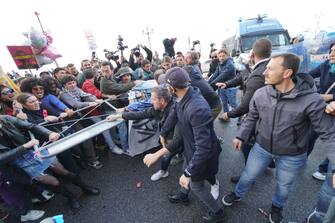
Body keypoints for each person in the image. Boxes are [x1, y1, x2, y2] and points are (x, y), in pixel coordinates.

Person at [221, 53, 335, 223]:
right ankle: (237, 193)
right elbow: (251, 117)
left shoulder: (311, 101)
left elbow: (329, 134)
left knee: (283, 186)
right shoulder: (260, 93)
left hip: (293, 155)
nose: (264, 73)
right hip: (261, 148)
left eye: (270, 69)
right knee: (248, 175)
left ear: (287, 73)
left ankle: (277, 207)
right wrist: (241, 135)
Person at [160, 67, 226, 223]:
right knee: (185, 169)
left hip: (203, 152)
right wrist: (163, 132)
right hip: (191, 146)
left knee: (196, 185)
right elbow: (174, 112)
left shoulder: (197, 108)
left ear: (172, 87)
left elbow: (203, 148)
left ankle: (218, 213)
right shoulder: (183, 95)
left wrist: (189, 172)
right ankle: (184, 195)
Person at [0, 115, 100, 210]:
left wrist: (49, 133)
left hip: (33, 150)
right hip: (16, 161)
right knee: (53, 182)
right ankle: (71, 197)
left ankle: (85, 187)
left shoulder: (5, 118)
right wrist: (24, 147)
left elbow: (31, 126)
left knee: (62, 171)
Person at [216, 39, 272, 183]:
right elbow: (241, 77)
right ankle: (264, 163)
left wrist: (228, 113)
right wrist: (226, 84)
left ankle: (249, 175)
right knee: (258, 142)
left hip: (258, 115)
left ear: (253, 54)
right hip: (264, 114)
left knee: (246, 143)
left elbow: (246, 105)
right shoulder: (265, 66)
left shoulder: (259, 73)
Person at [106, 86, 182, 181]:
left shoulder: (177, 112)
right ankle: (175, 159)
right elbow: (140, 114)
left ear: (162, 100)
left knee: (168, 155)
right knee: (172, 151)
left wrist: (156, 154)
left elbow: (177, 139)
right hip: (172, 136)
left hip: (181, 138)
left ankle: (164, 171)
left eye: (153, 99)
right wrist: (119, 116)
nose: (151, 102)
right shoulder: (157, 108)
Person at [61, 75, 127, 154]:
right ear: (65, 85)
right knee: (103, 128)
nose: (72, 85)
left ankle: (113, 140)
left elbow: (87, 95)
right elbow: (75, 104)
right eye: (69, 84)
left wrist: (96, 100)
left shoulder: (77, 89)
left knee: (108, 125)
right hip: (76, 117)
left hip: (86, 113)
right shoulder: (64, 94)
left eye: (73, 82)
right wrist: (89, 103)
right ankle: (112, 147)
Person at [308, 42, 335, 181]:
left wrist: (331, 96)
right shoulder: (326, 65)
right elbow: (310, 75)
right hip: (322, 108)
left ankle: (324, 169)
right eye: (331, 50)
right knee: (310, 135)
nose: (331, 54)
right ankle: (300, 158)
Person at [208, 49, 237, 117]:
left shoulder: (230, 65)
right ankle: (226, 116)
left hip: (230, 87)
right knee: (224, 103)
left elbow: (221, 77)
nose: (221, 58)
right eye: (220, 56)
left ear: (227, 56)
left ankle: (240, 116)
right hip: (221, 87)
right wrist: (207, 83)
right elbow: (215, 74)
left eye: (223, 56)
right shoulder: (220, 64)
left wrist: (211, 85)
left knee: (233, 104)